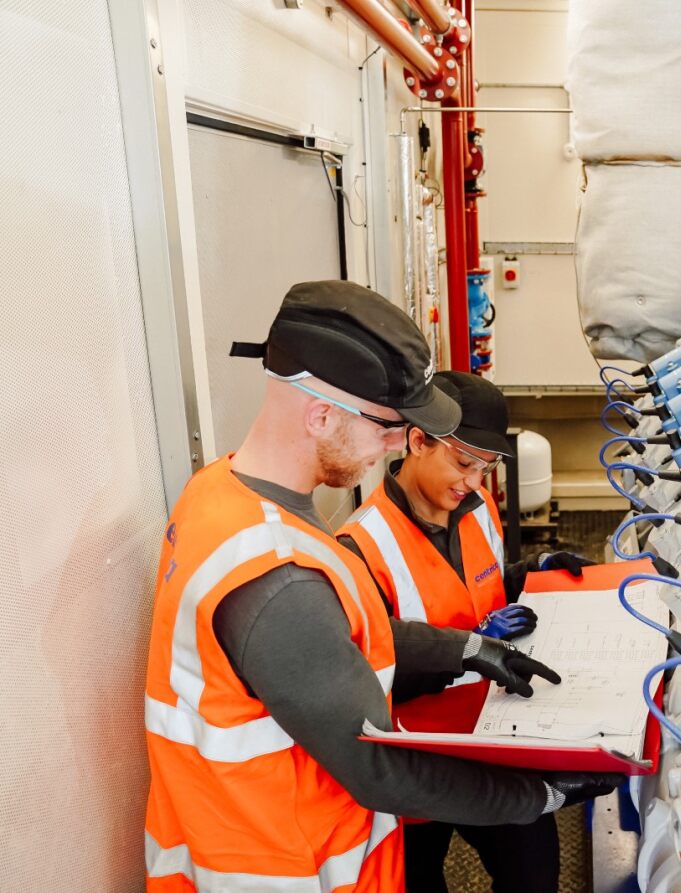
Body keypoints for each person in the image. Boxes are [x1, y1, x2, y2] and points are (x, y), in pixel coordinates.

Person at [143, 280, 620, 891]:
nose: (398, 446)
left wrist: (468, 647)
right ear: (321, 415)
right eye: (390, 427)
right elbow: (377, 766)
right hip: (286, 871)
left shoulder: (221, 492)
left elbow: (344, 639)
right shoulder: (278, 577)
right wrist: (540, 794)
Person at [338, 371, 595, 893]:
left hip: (497, 742)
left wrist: (532, 572)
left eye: (486, 468)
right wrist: (469, 647)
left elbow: (480, 586)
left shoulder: (476, 512)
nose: (473, 482)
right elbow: (366, 677)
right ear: (417, 440)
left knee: (534, 877)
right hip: (415, 765)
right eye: (463, 463)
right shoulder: (360, 546)